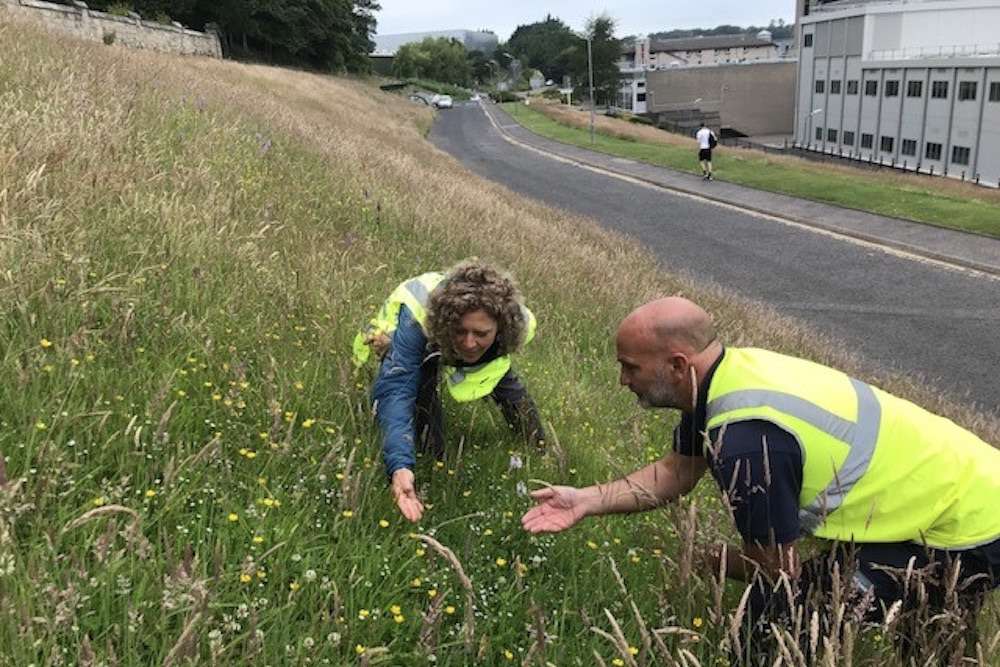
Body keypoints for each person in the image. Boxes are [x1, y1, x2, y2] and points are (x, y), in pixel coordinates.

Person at [522, 297, 1000, 661]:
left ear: (677, 365)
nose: (623, 380)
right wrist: (584, 499)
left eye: (630, 367)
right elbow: (675, 472)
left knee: (781, 624)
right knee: (921, 637)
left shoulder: (746, 441)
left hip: (970, 524)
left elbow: (778, 570)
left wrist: (712, 560)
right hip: (958, 492)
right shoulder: (725, 380)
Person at [353, 259, 545, 523]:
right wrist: (399, 466)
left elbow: (505, 380)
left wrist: (540, 447)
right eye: (461, 331)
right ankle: (434, 459)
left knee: (507, 388)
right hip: (427, 333)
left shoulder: (515, 323)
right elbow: (397, 390)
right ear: (449, 323)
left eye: (480, 333)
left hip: (475, 338)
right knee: (422, 391)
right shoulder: (417, 322)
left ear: (500, 329)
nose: (469, 343)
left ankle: (539, 445)